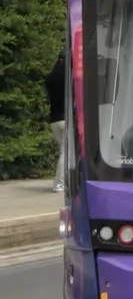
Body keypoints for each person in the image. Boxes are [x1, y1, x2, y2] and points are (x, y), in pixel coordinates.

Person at [45, 50, 67, 193]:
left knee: (63, 151)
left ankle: (63, 180)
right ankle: (59, 183)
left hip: (54, 120)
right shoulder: (69, 77)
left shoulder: (50, 78)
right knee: (66, 152)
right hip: (66, 119)